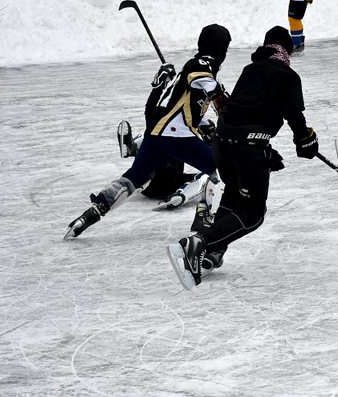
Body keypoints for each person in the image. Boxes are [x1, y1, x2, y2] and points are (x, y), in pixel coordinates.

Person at [166, 26, 319, 290]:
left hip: (222, 141)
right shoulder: (288, 75)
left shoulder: (251, 70)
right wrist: (306, 140)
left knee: (234, 195)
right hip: (247, 145)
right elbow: (294, 115)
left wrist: (265, 149)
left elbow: (239, 108)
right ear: (288, 50)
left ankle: (213, 251)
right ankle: (200, 243)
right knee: (253, 212)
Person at [64, 25, 231, 240]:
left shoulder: (188, 73)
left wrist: (207, 118)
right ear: (220, 47)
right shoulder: (202, 64)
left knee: (133, 179)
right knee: (221, 168)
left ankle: (90, 214)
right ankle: (204, 220)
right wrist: (223, 100)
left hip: (156, 135)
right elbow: (207, 85)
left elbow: (178, 106)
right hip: (176, 135)